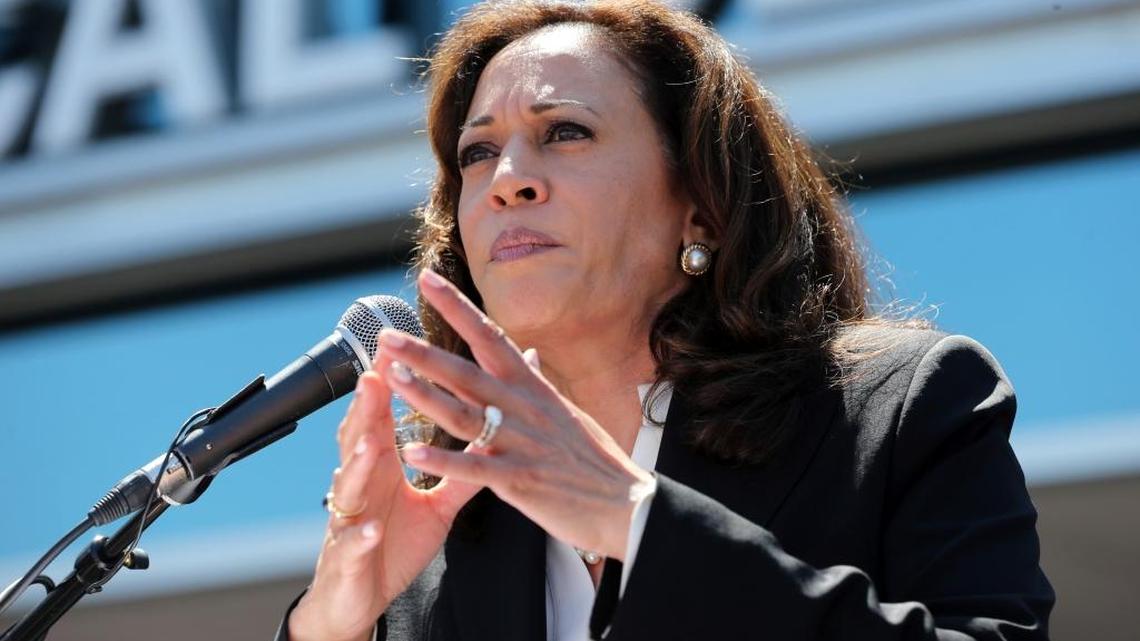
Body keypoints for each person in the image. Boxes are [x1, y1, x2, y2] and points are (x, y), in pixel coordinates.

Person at [278, 1, 1055, 639]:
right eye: (477, 152)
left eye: (565, 132)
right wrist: (332, 625)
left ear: (701, 207)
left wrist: (636, 522)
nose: (507, 179)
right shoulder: (445, 519)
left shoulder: (900, 408)